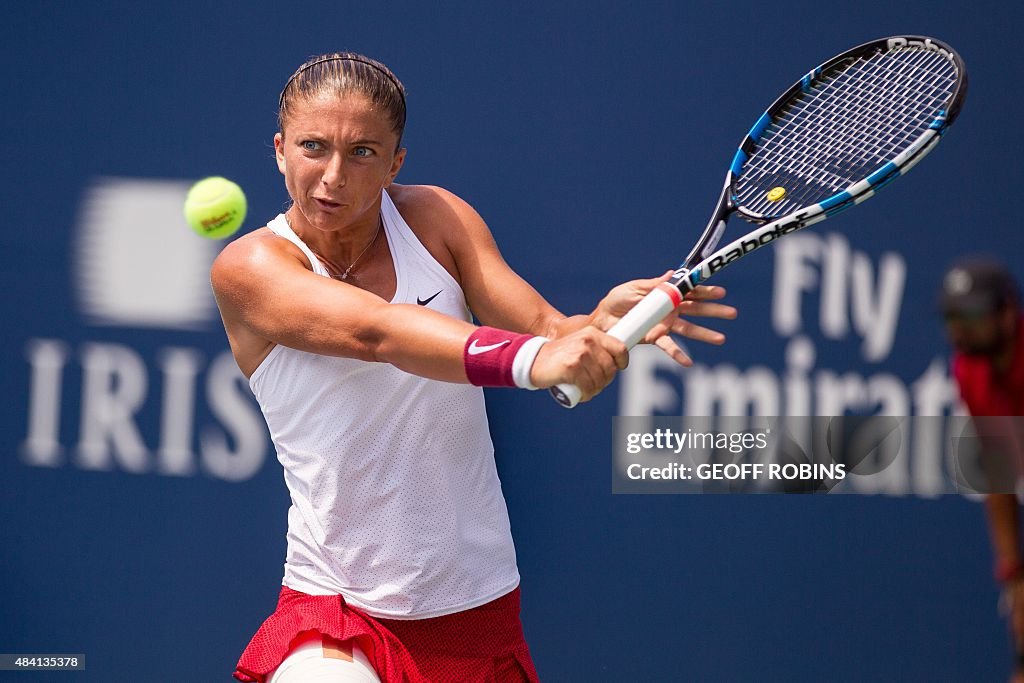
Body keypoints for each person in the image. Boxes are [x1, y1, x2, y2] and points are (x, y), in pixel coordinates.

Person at [214, 52, 736, 683]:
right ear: (279, 148)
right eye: (313, 147)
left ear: (395, 162)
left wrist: (601, 323)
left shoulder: (436, 219)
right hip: (336, 611)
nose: (331, 176)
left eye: (362, 153)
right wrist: (539, 360)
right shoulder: (249, 269)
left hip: (476, 604)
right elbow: (375, 330)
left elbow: (548, 328)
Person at [941, 258, 1024, 682]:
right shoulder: (969, 369)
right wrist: (1013, 577)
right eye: (953, 316)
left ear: (1007, 312)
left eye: (972, 315)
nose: (960, 328)